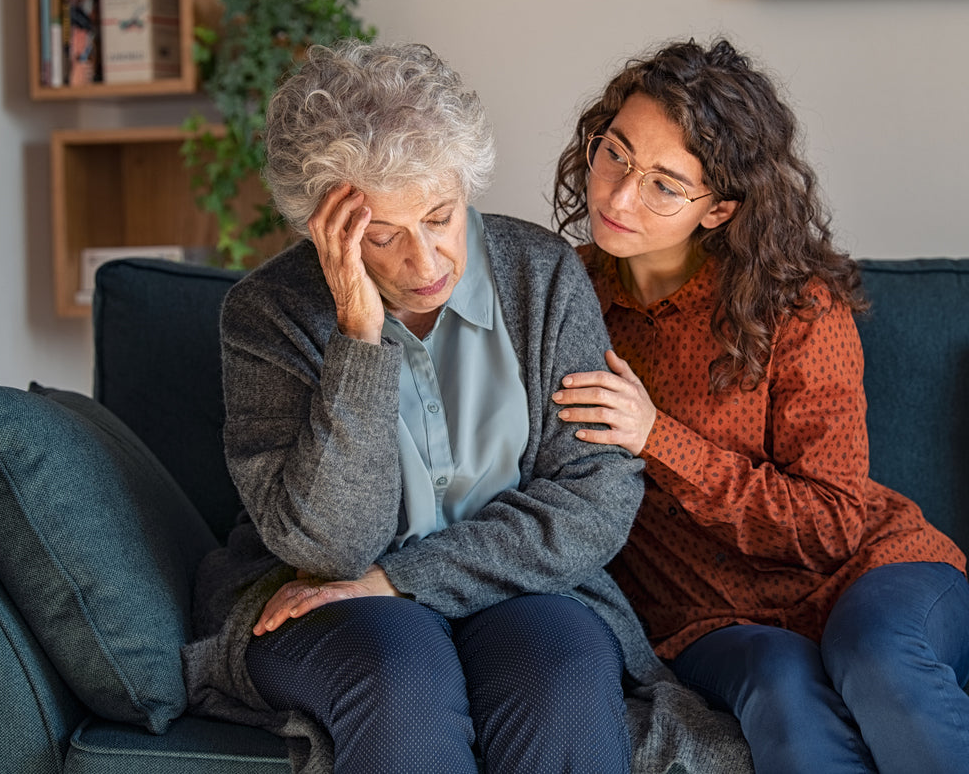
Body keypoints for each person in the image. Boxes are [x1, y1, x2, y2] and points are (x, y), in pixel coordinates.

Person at [179, 40, 749, 774]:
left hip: (523, 586)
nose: (426, 264)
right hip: (320, 603)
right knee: (402, 673)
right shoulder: (269, 315)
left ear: (465, 185)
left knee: (563, 675)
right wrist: (358, 338)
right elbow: (329, 552)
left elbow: (595, 497)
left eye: (440, 217)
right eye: (382, 237)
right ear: (322, 227)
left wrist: (405, 579)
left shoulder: (539, 276)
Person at [551, 38, 969, 774]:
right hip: (710, 617)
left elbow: (832, 523)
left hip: (877, 576)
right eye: (615, 154)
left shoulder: (797, 311)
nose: (617, 195)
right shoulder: (564, 297)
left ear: (719, 209)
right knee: (783, 689)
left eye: (665, 184)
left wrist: (656, 437)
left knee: (879, 661)